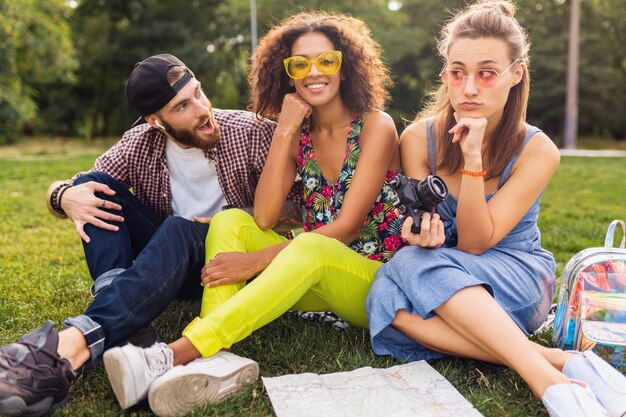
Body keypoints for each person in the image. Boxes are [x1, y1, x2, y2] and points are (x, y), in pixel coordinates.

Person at [102, 11, 404, 417]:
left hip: (374, 282)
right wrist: (286, 130)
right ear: (288, 75)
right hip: (312, 274)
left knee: (311, 246)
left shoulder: (375, 126)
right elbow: (262, 218)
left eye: (326, 61)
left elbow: (346, 229)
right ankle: (219, 362)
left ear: (345, 66)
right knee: (231, 220)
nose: (314, 72)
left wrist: (257, 260)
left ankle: (175, 354)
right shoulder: (300, 135)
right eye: (300, 64)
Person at [365, 2, 626, 417]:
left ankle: (547, 383)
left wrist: (472, 159)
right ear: (445, 74)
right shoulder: (417, 138)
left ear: (515, 73)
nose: (469, 88)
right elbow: (423, 226)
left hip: (515, 275)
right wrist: (419, 233)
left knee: (406, 271)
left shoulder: (537, 149)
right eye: (457, 72)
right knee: (386, 296)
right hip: (442, 273)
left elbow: (473, 243)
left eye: (486, 73)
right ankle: (565, 365)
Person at [0, 54, 284, 417]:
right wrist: (63, 194)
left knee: (180, 227)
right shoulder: (140, 144)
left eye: (198, 93)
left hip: (230, 264)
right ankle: (131, 332)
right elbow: (74, 186)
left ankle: (69, 347)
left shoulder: (251, 131)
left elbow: (297, 207)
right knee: (93, 186)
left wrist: (230, 219)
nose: (201, 109)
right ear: (156, 121)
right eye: (182, 106)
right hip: (171, 263)